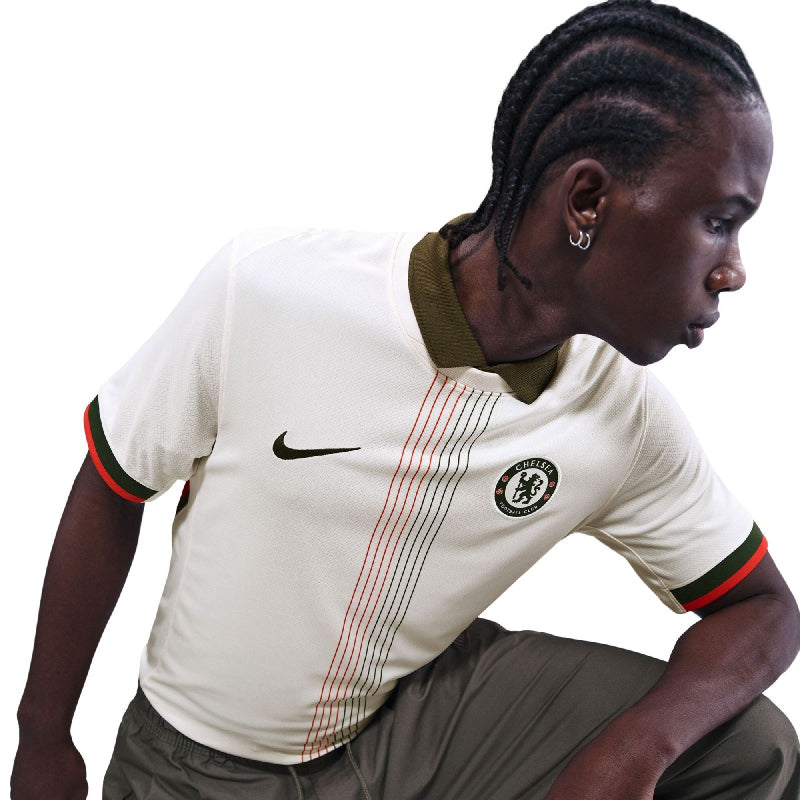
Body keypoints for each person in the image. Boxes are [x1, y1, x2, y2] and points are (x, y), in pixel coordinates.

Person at [11, 0, 800, 797]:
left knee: (747, 746)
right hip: (195, 761)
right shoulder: (271, 292)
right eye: (719, 221)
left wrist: (633, 750)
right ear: (587, 201)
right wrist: (44, 737)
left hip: (397, 729)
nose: (733, 270)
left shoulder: (622, 414)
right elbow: (114, 483)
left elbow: (767, 611)